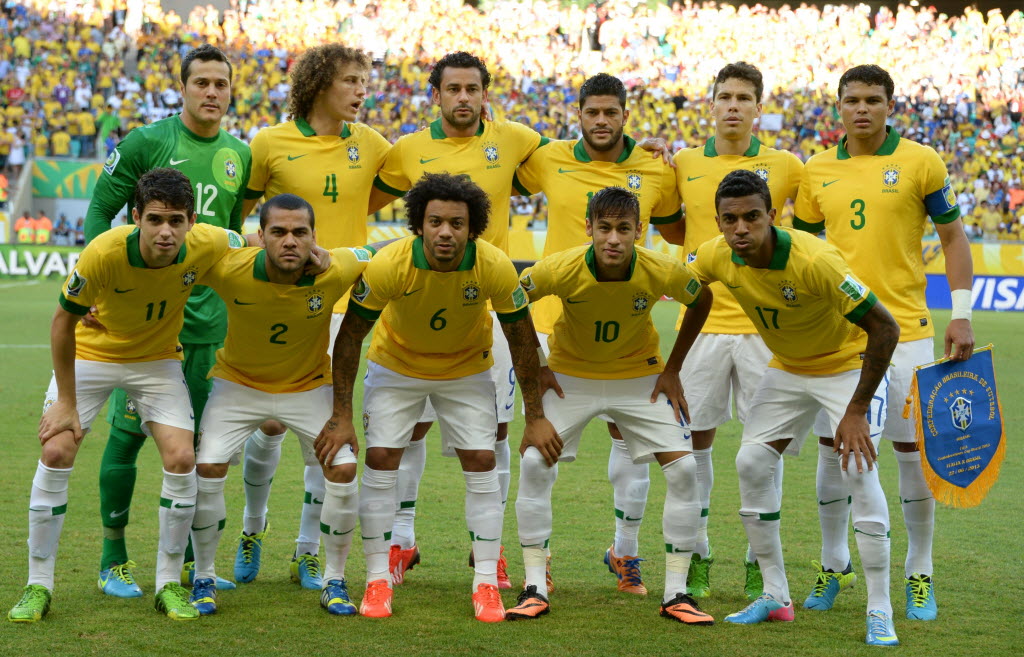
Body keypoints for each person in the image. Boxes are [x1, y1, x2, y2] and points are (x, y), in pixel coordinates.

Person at [7, 168, 247, 623]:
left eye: (176, 220)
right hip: (93, 357)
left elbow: (252, 241)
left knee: (181, 458)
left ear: (192, 220)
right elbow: (62, 322)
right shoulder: (103, 252)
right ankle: (37, 586)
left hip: (157, 361)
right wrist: (66, 402)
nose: (165, 231)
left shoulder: (210, 241)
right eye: (155, 219)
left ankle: (167, 584)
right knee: (57, 450)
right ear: (135, 216)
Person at [327, 173, 554, 622]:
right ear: (419, 223)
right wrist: (340, 415)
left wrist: (536, 415)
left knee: (482, 461)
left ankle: (486, 583)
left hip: (466, 371)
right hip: (395, 369)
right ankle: (376, 582)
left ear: (472, 228)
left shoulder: (492, 265)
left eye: (456, 223)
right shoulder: (391, 263)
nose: (445, 232)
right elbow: (350, 336)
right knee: (382, 460)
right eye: (435, 222)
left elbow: (523, 338)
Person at [689, 170, 901, 646]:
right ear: (719, 222)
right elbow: (685, 286)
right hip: (787, 368)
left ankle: (879, 608)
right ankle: (776, 596)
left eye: (751, 217)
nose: (740, 228)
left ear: (773, 216)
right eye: (729, 219)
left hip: (846, 367)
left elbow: (885, 329)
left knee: (859, 470)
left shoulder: (816, 260)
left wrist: (855, 411)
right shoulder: (714, 255)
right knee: (750, 460)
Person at [794, 64, 974, 621]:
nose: (862, 109)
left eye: (873, 100)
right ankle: (833, 563)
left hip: (910, 335)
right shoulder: (815, 170)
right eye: (853, 100)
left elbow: (953, 237)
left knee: (911, 455)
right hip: (838, 338)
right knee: (833, 451)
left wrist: (961, 313)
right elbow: (803, 252)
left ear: (891, 105)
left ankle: (919, 572)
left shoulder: (921, 161)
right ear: (838, 106)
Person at [368, 51, 549, 588]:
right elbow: (362, 196)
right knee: (409, 425)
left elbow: (574, 161)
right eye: (454, 89)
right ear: (437, 95)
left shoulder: (515, 139)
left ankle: (486, 554)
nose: (464, 98)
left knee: (494, 430)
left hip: (487, 305)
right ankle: (402, 541)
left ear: (485, 94)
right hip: (418, 299)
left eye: (473, 88)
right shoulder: (407, 151)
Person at [83, 44, 251, 598]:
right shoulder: (147, 142)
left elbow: (228, 237)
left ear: (231, 91)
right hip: (146, 328)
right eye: (200, 82)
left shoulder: (238, 156)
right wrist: (100, 288)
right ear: (182, 87)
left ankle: (190, 564)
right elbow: (99, 209)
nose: (211, 92)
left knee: (202, 447)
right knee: (129, 437)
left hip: (208, 326)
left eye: (220, 84)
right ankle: (113, 560)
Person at [506, 186, 713, 624]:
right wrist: (539, 365)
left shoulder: (661, 269)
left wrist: (673, 368)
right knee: (532, 464)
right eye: (604, 229)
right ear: (589, 229)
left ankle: (677, 593)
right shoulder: (561, 268)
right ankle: (534, 586)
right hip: (569, 379)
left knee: (685, 469)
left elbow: (702, 298)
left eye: (624, 229)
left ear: (640, 230)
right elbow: (513, 300)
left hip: (639, 379)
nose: (613, 239)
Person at [511, 72, 683, 595]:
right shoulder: (547, 156)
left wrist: (673, 156)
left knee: (631, 442)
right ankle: (536, 566)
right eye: (593, 113)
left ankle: (624, 552)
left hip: (628, 329)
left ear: (625, 115)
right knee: (544, 448)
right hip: (548, 328)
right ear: (579, 114)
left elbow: (678, 229)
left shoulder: (655, 166)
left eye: (612, 112)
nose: (602, 121)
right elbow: (494, 174)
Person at [232, 44, 392, 590]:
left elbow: (403, 183)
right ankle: (253, 530)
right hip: (280, 303)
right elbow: (241, 218)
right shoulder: (270, 142)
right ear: (321, 83)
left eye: (363, 81)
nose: (361, 91)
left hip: (345, 305)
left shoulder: (371, 144)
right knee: (271, 422)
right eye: (351, 80)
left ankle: (306, 550)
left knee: (323, 432)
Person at [188, 194, 372, 616]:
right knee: (209, 466)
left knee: (342, 467)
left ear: (314, 238)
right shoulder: (230, 267)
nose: (290, 241)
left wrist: (334, 257)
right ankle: (203, 575)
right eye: (279, 232)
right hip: (239, 385)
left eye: (300, 233)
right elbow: (177, 258)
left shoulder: (336, 267)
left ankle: (334, 579)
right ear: (261, 236)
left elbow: (382, 251)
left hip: (307, 387)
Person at [668, 62, 803, 600]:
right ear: (711, 103)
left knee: (764, 450)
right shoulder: (680, 161)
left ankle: (758, 562)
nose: (733, 106)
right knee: (692, 448)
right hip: (699, 325)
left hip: (765, 329)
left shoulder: (788, 166)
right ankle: (698, 558)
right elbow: (670, 226)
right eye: (724, 96)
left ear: (758, 106)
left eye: (744, 97)